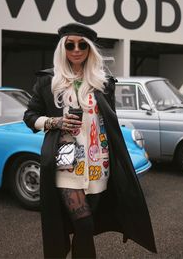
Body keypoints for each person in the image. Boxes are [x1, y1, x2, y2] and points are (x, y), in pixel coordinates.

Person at [23, 22, 156, 259]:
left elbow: (108, 121)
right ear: (62, 48)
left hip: (98, 164)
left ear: (89, 49)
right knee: (83, 224)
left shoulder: (103, 83)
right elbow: (29, 117)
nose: (76, 49)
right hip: (66, 165)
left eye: (82, 44)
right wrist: (56, 122)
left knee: (87, 227)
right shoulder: (48, 81)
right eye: (70, 44)